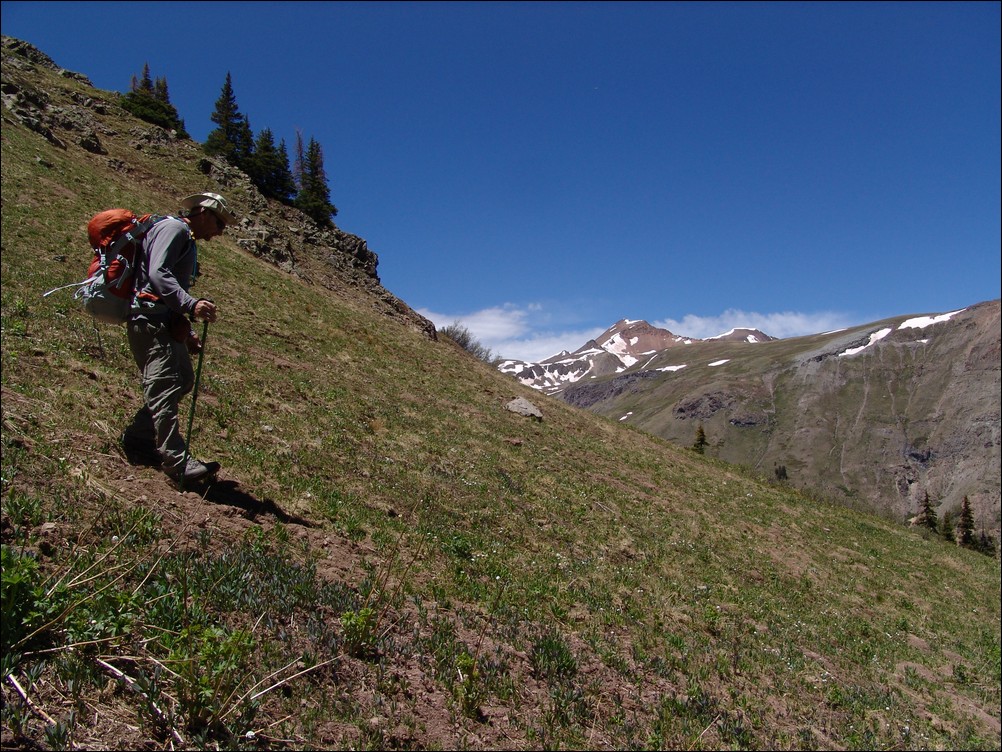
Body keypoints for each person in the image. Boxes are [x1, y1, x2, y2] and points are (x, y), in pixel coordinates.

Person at [120, 192, 236, 485]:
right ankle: (176, 461)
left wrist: (188, 333)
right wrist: (191, 304)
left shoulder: (184, 237)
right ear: (206, 214)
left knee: (182, 378)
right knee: (165, 386)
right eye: (220, 224)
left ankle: (139, 436)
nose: (220, 232)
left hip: (162, 321)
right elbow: (158, 275)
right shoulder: (175, 229)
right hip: (150, 321)